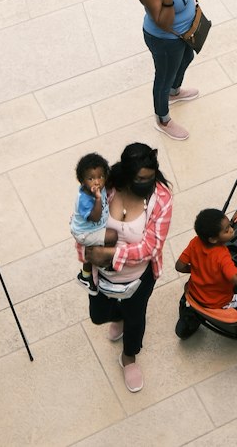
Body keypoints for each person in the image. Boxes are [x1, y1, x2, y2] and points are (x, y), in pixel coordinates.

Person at [84, 142, 173, 394]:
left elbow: (151, 247)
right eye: (140, 178)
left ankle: (129, 358)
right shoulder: (107, 189)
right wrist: (90, 253)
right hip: (101, 274)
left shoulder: (162, 199)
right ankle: (118, 316)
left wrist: (111, 254)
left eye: (150, 177)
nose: (146, 183)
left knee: (136, 319)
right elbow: (84, 225)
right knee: (98, 316)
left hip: (138, 277)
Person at [131, 0, 209, 141]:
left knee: (187, 58)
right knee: (163, 76)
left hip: (184, 33)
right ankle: (163, 119)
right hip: (166, 39)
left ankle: (174, 93)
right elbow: (164, 22)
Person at [175, 208, 237, 312]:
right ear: (213, 239)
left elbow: (179, 266)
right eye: (226, 230)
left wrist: (198, 270)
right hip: (219, 302)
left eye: (229, 225)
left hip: (195, 292)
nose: (231, 230)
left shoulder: (194, 242)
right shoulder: (221, 255)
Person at [70, 151, 111, 291]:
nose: (97, 181)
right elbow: (96, 217)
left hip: (91, 229)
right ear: (82, 181)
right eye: (91, 179)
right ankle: (105, 263)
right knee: (112, 236)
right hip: (85, 233)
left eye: (100, 177)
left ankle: (85, 276)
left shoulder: (100, 185)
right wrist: (98, 198)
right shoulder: (85, 199)